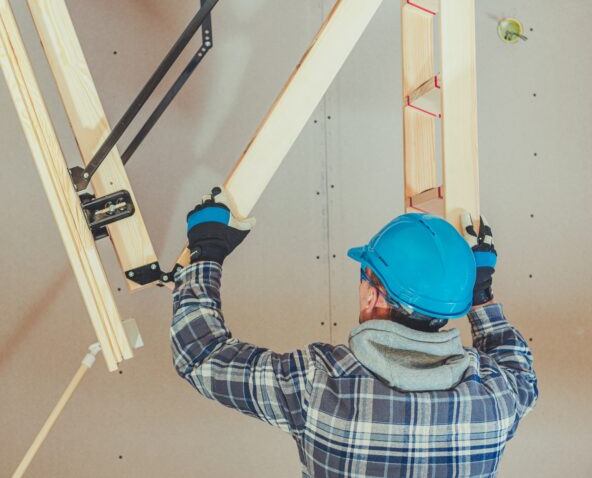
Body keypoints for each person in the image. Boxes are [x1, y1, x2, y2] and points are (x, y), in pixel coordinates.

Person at [171, 187, 538, 477]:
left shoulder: (318, 385)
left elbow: (201, 356)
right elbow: (520, 372)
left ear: (372, 293)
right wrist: (480, 294)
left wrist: (206, 253)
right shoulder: (495, 400)